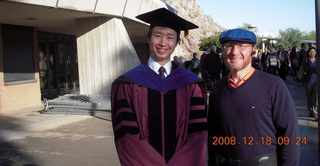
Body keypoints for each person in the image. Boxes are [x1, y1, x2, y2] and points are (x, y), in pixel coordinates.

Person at [111, 8, 208, 166]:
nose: (163, 43)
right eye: (157, 36)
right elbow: (126, 136)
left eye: (170, 37)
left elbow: (198, 133)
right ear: (149, 39)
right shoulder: (128, 84)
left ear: (176, 42)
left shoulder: (190, 85)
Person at [208, 28, 299, 166]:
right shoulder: (217, 89)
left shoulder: (273, 85)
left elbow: (289, 134)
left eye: (242, 46)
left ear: (253, 51)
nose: (234, 52)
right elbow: (213, 134)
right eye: (228, 46)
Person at [301, 46, 318, 119]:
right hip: (308, 81)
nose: (312, 53)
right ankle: (310, 110)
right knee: (309, 97)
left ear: (316, 53)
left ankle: (316, 114)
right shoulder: (306, 60)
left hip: (316, 82)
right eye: (311, 52)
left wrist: (312, 70)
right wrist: (313, 70)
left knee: (316, 98)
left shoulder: (318, 60)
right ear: (308, 52)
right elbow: (305, 68)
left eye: (313, 52)